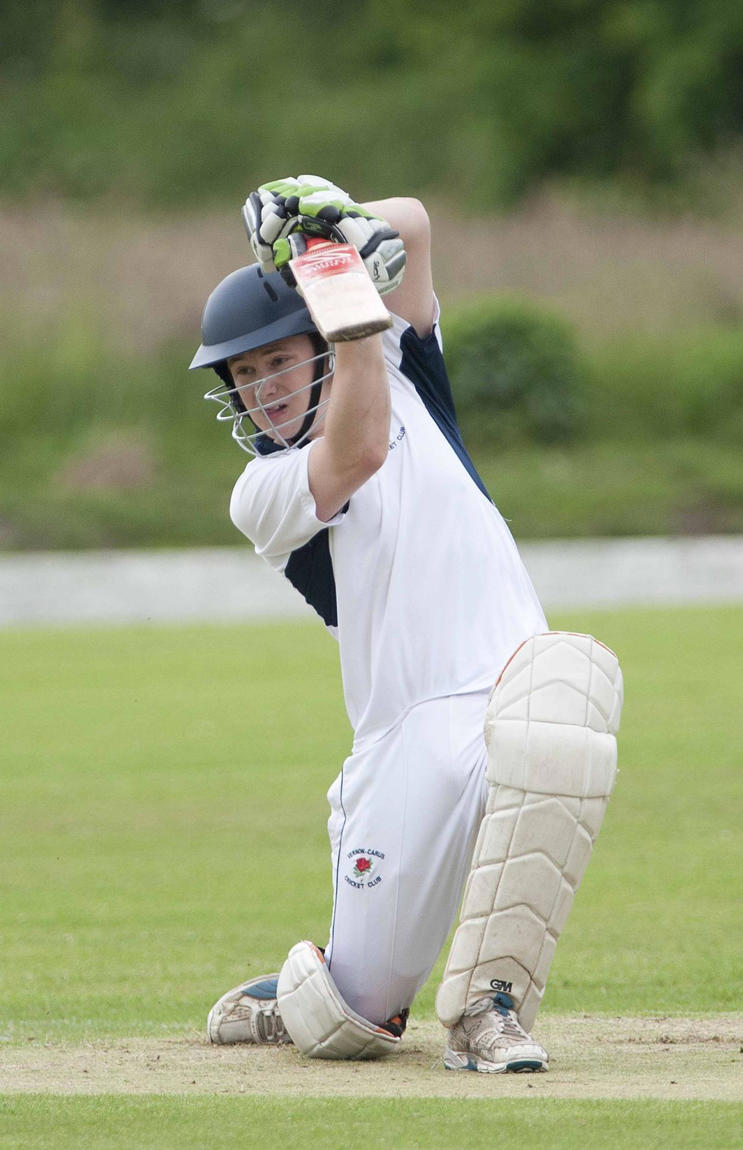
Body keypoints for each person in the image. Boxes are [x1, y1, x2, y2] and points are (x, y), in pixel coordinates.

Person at [189, 176, 622, 1073]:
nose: (262, 389)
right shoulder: (262, 489)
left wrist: (328, 221)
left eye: (277, 361)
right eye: (244, 375)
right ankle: (305, 993)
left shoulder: (395, 361)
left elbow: (415, 228)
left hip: (512, 675)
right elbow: (357, 448)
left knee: (562, 711)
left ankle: (487, 1013)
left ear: (316, 343)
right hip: (403, 735)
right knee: (353, 1023)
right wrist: (343, 299)